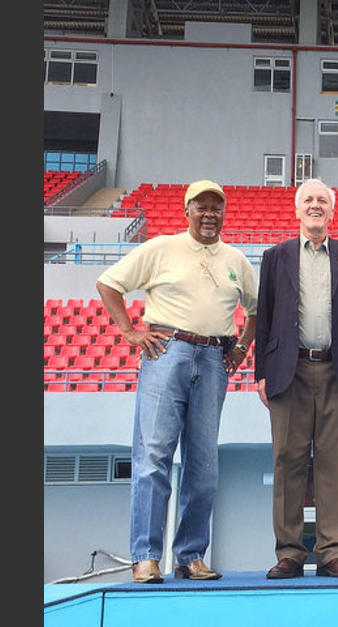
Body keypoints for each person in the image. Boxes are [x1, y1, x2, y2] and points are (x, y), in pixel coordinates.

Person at [96, 179, 258, 583]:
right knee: (153, 456)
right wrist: (131, 332)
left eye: (216, 208)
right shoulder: (161, 248)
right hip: (167, 350)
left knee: (204, 464)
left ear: (224, 213)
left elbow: (256, 309)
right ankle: (146, 556)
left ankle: (190, 555)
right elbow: (108, 283)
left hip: (215, 356)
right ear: (187, 211)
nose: (209, 214)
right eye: (201, 207)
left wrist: (239, 349)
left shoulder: (236, 259)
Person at [255, 178, 338, 579]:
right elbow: (265, 317)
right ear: (297, 210)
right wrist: (261, 374)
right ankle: (289, 552)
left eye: (323, 200)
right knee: (287, 461)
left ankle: (332, 551)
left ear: (332, 211)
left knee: (337, 464)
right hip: (289, 370)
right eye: (309, 200)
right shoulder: (276, 257)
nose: (316, 205)